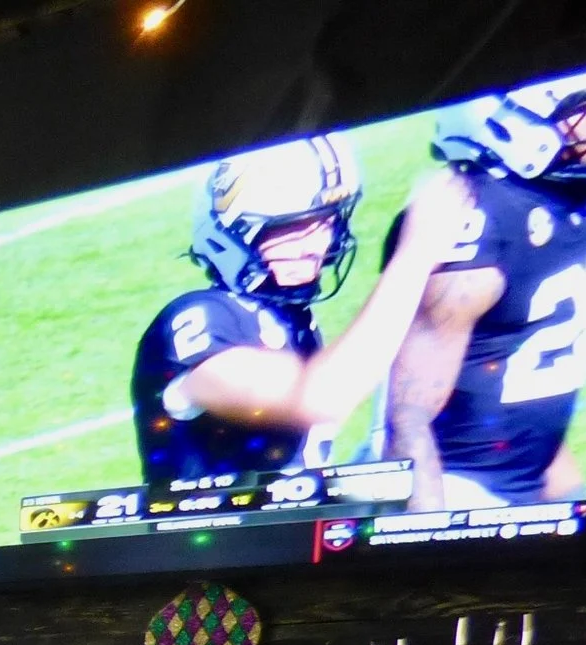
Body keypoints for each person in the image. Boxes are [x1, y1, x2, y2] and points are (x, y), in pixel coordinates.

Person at [131, 136, 471, 489]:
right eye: (292, 227)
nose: (316, 246)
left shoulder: (291, 322)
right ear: (233, 231)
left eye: (325, 223)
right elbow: (320, 396)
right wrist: (414, 256)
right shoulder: (200, 317)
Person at [384, 71, 586, 510]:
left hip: (529, 483)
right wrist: (429, 536)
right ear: (512, 122)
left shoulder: (573, 203)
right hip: (454, 491)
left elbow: (528, 386)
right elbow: (408, 417)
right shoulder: (477, 223)